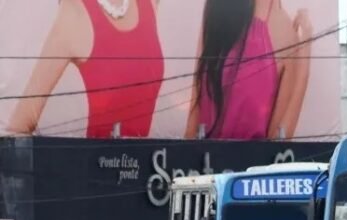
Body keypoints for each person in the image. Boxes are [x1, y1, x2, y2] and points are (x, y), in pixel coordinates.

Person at [7, 0, 164, 138]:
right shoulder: (73, 13)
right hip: (97, 165)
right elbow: (18, 127)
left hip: (154, 165)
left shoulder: (149, 3)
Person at [185, 0, 313, 140]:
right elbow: (193, 121)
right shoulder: (217, 8)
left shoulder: (283, 30)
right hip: (203, 157)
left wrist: (304, 56)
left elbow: (278, 144)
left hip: (252, 160)